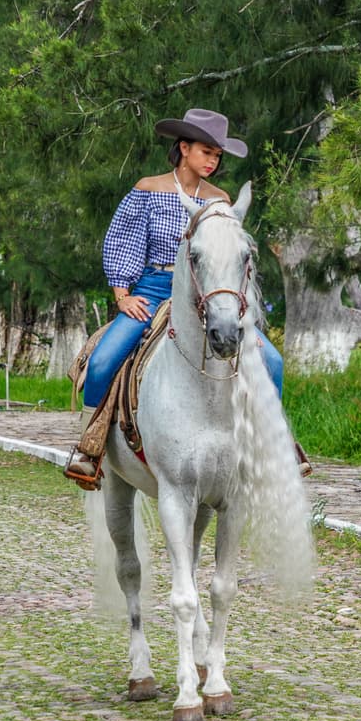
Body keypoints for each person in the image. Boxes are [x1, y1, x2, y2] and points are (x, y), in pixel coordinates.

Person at [64, 108, 309, 488]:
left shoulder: (220, 200)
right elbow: (121, 242)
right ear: (184, 147)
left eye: (217, 155)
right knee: (102, 362)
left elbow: (229, 253)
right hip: (151, 290)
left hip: (207, 297)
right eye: (206, 152)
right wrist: (121, 294)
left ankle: (274, 448)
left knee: (272, 361)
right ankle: (89, 447)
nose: (212, 161)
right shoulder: (148, 189)